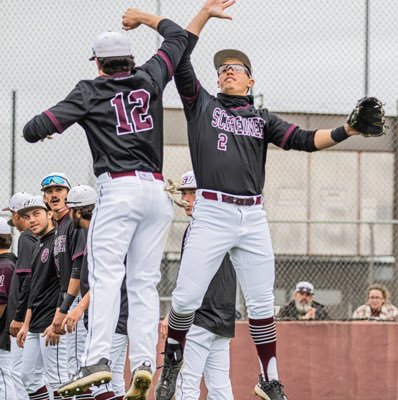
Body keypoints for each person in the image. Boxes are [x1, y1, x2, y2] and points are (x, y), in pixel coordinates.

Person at [124, 0, 380, 398]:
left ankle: (269, 377)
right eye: (223, 68)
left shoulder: (263, 119)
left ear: (250, 81)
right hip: (212, 211)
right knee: (187, 298)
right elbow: (178, 44)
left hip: (253, 216)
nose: (227, 71)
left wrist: (348, 128)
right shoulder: (201, 104)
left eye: (236, 68)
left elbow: (306, 141)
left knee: (261, 304)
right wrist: (197, 15)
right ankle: (171, 360)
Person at [23, 7, 189, 398]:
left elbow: (33, 129)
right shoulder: (150, 76)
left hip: (119, 191)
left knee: (106, 277)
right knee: (145, 283)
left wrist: (53, 127)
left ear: (99, 63)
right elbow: (178, 38)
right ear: (130, 59)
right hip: (155, 193)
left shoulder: (90, 90)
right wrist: (148, 19)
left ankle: (98, 359)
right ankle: (145, 361)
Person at [159, 171, 236, 400]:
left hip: (199, 316)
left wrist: (174, 313)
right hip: (223, 316)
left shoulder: (198, 228)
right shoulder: (226, 224)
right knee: (220, 385)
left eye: (193, 193)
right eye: (184, 193)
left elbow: (190, 278)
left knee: (186, 382)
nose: (186, 199)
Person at [61, 185, 129, 400]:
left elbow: (104, 279)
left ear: (78, 212)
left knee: (97, 381)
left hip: (111, 318)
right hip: (121, 316)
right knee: (114, 380)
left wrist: (79, 307)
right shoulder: (103, 232)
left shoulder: (99, 235)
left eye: (71, 208)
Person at [39, 172, 89, 394]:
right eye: (49, 192)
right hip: (68, 298)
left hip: (77, 297)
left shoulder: (73, 223)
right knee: (73, 367)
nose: (54, 195)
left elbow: (78, 268)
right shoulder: (59, 226)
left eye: (59, 190)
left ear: (68, 194)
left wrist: (65, 308)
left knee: (77, 367)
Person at [16, 196, 69, 400]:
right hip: (35, 323)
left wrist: (58, 320)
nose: (31, 220)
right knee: (28, 377)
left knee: (58, 379)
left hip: (51, 322)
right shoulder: (38, 244)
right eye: (27, 216)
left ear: (49, 214)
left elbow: (65, 284)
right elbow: (34, 288)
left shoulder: (58, 241)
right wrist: (25, 324)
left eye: (36, 214)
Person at [3, 192, 36, 400]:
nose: (14, 224)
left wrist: (19, 317)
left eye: (14, 217)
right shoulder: (35, 237)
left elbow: (27, 280)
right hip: (31, 315)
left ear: (17, 214)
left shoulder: (26, 238)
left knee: (18, 373)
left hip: (26, 317)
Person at [0, 217, 18, 399]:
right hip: (8, 332)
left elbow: (1, 302)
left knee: (5, 379)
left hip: (3, 333)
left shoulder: (4, 265)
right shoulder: (11, 261)